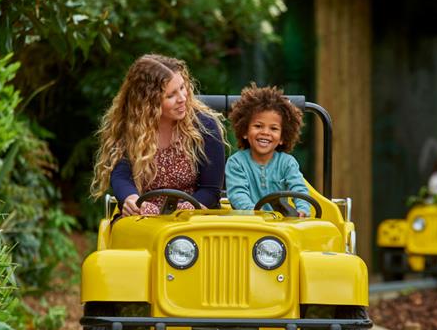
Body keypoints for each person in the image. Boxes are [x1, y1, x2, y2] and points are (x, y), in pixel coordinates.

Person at [90, 54, 226, 216]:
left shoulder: (205, 126)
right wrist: (131, 199)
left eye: (182, 87)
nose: (183, 98)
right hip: (143, 215)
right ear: (148, 102)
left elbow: (210, 190)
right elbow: (121, 175)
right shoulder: (129, 129)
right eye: (171, 95)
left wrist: (185, 210)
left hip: (193, 215)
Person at [225, 84, 311, 216]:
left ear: (282, 137)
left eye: (274, 128)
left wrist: (302, 210)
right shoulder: (236, 163)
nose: (265, 132)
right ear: (245, 132)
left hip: (280, 227)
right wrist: (258, 215)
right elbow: (238, 195)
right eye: (258, 126)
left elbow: (299, 189)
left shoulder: (287, 163)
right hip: (247, 225)